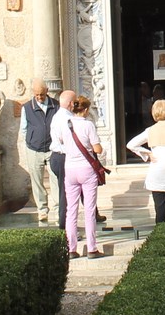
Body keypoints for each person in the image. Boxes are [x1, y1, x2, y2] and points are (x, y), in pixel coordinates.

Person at [58, 91, 106, 258]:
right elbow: (97, 148)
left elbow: (60, 140)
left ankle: (71, 248)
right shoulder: (88, 125)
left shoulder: (65, 124)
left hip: (70, 168)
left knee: (71, 210)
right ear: (85, 110)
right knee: (89, 210)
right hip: (86, 168)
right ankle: (92, 248)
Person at [19, 81, 62, 224]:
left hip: (52, 148)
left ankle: (57, 210)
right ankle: (42, 210)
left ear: (47, 91)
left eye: (42, 95)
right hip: (34, 149)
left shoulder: (56, 105)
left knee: (55, 180)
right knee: (37, 181)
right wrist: (30, 141)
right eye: (36, 95)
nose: (39, 97)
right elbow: (23, 128)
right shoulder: (27, 107)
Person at [48, 88, 76, 236]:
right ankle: (65, 227)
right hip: (62, 156)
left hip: (58, 156)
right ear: (71, 103)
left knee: (67, 191)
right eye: (75, 101)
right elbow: (67, 139)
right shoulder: (66, 119)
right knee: (65, 194)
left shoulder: (58, 116)